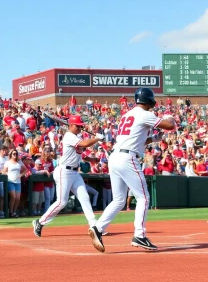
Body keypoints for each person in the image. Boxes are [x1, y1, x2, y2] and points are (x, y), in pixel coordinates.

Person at [88, 88, 175, 253]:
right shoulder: (144, 113)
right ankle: (139, 235)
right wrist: (169, 116)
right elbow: (170, 125)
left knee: (119, 200)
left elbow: (138, 139)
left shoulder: (127, 115)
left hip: (116, 157)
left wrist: (155, 138)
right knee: (143, 197)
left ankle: (98, 228)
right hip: (128, 158)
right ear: (149, 100)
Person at [32, 114, 105, 237]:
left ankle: (95, 226)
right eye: (78, 126)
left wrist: (91, 160)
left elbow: (80, 154)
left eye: (81, 126)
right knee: (62, 202)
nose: (80, 128)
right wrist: (97, 138)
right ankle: (40, 222)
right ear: (71, 125)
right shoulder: (68, 136)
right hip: (64, 172)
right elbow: (84, 144)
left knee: (84, 197)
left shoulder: (75, 136)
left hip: (74, 172)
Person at [2, 149, 28, 217]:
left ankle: (14, 211)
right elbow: (4, 172)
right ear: (11, 155)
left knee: (18, 198)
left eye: (16, 154)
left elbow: (26, 169)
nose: (15, 155)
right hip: (10, 181)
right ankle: (10, 211)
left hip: (18, 182)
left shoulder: (19, 162)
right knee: (13, 197)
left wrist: (21, 174)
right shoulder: (7, 162)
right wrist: (7, 175)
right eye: (14, 154)